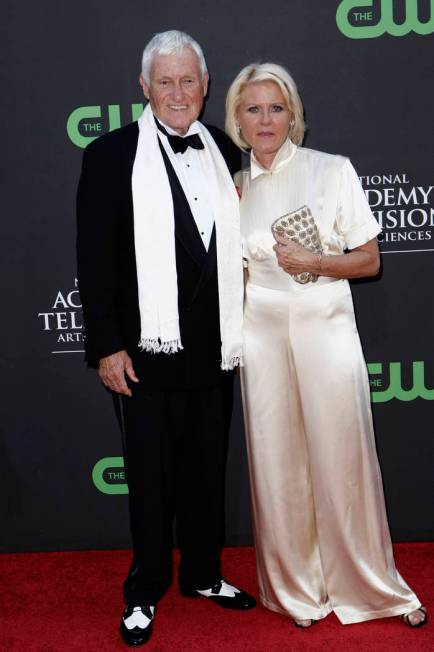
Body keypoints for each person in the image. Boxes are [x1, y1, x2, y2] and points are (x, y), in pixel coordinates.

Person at [225, 62, 427, 629]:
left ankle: (374, 589)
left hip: (324, 323)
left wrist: (315, 262)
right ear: (237, 119)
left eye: (276, 108)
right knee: (276, 463)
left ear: (294, 115)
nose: (265, 120)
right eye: (252, 109)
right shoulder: (234, 187)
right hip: (260, 331)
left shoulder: (332, 170)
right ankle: (296, 591)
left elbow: (370, 260)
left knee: (344, 458)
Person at [77, 30, 256, 648]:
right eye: (164, 81)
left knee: (208, 470)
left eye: (188, 81)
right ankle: (145, 589)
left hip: (216, 348)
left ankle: (203, 573)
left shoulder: (231, 153)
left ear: (206, 87)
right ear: (143, 87)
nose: (177, 93)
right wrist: (106, 344)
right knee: (150, 480)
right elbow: (93, 260)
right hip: (143, 353)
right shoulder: (108, 155)